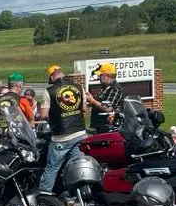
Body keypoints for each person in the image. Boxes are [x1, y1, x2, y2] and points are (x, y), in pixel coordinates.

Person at [38, 65, 87, 195]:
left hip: (61, 136)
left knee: (52, 168)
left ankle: (43, 195)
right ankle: (81, 194)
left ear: (51, 77)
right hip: (80, 132)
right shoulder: (78, 87)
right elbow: (84, 109)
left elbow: (43, 115)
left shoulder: (49, 91)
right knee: (78, 166)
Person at [86, 62, 124, 132]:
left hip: (108, 128)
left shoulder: (115, 89)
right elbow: (99, 104)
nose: (99, 77)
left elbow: (107, 108)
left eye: (100, 75)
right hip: (100, 127)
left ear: (107, 75)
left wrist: (92, 100)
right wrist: (90, 98)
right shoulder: (105, 88)